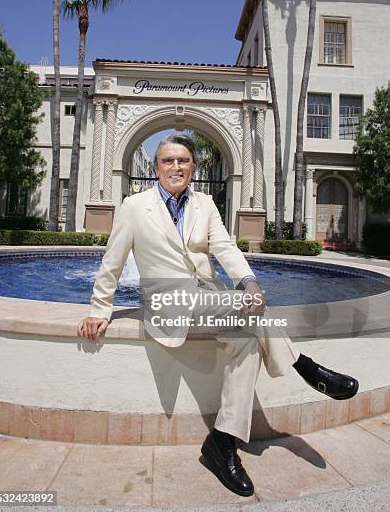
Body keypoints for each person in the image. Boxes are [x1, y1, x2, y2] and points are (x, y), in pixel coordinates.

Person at [78, 133, 359, 498]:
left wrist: (249, 282)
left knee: (245, 341)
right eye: (167, 161)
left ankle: (222, 442)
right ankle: (305, 366)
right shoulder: (134, 206)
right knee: (252, 313)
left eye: (183, 161)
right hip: (168, 304)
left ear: (193, 168)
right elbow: (111, 262)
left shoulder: (205, 204)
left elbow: (225, 248)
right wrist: (100, 309)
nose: (175, 167)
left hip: (208, 300)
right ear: (157, 168)